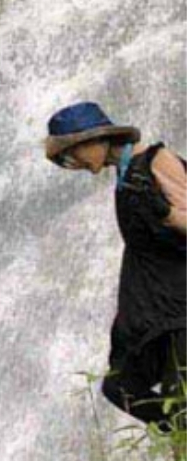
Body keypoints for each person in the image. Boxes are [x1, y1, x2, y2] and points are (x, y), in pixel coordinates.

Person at [45, 102, 186, 431]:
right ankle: (178, 438)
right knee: (120, 386)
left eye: (72, 152)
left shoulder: (156, 160)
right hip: (155, 310)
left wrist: (164, 213)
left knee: (181, 399)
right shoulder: (126, 174)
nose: (74, 162)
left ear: (94, 139)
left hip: (180, 310)